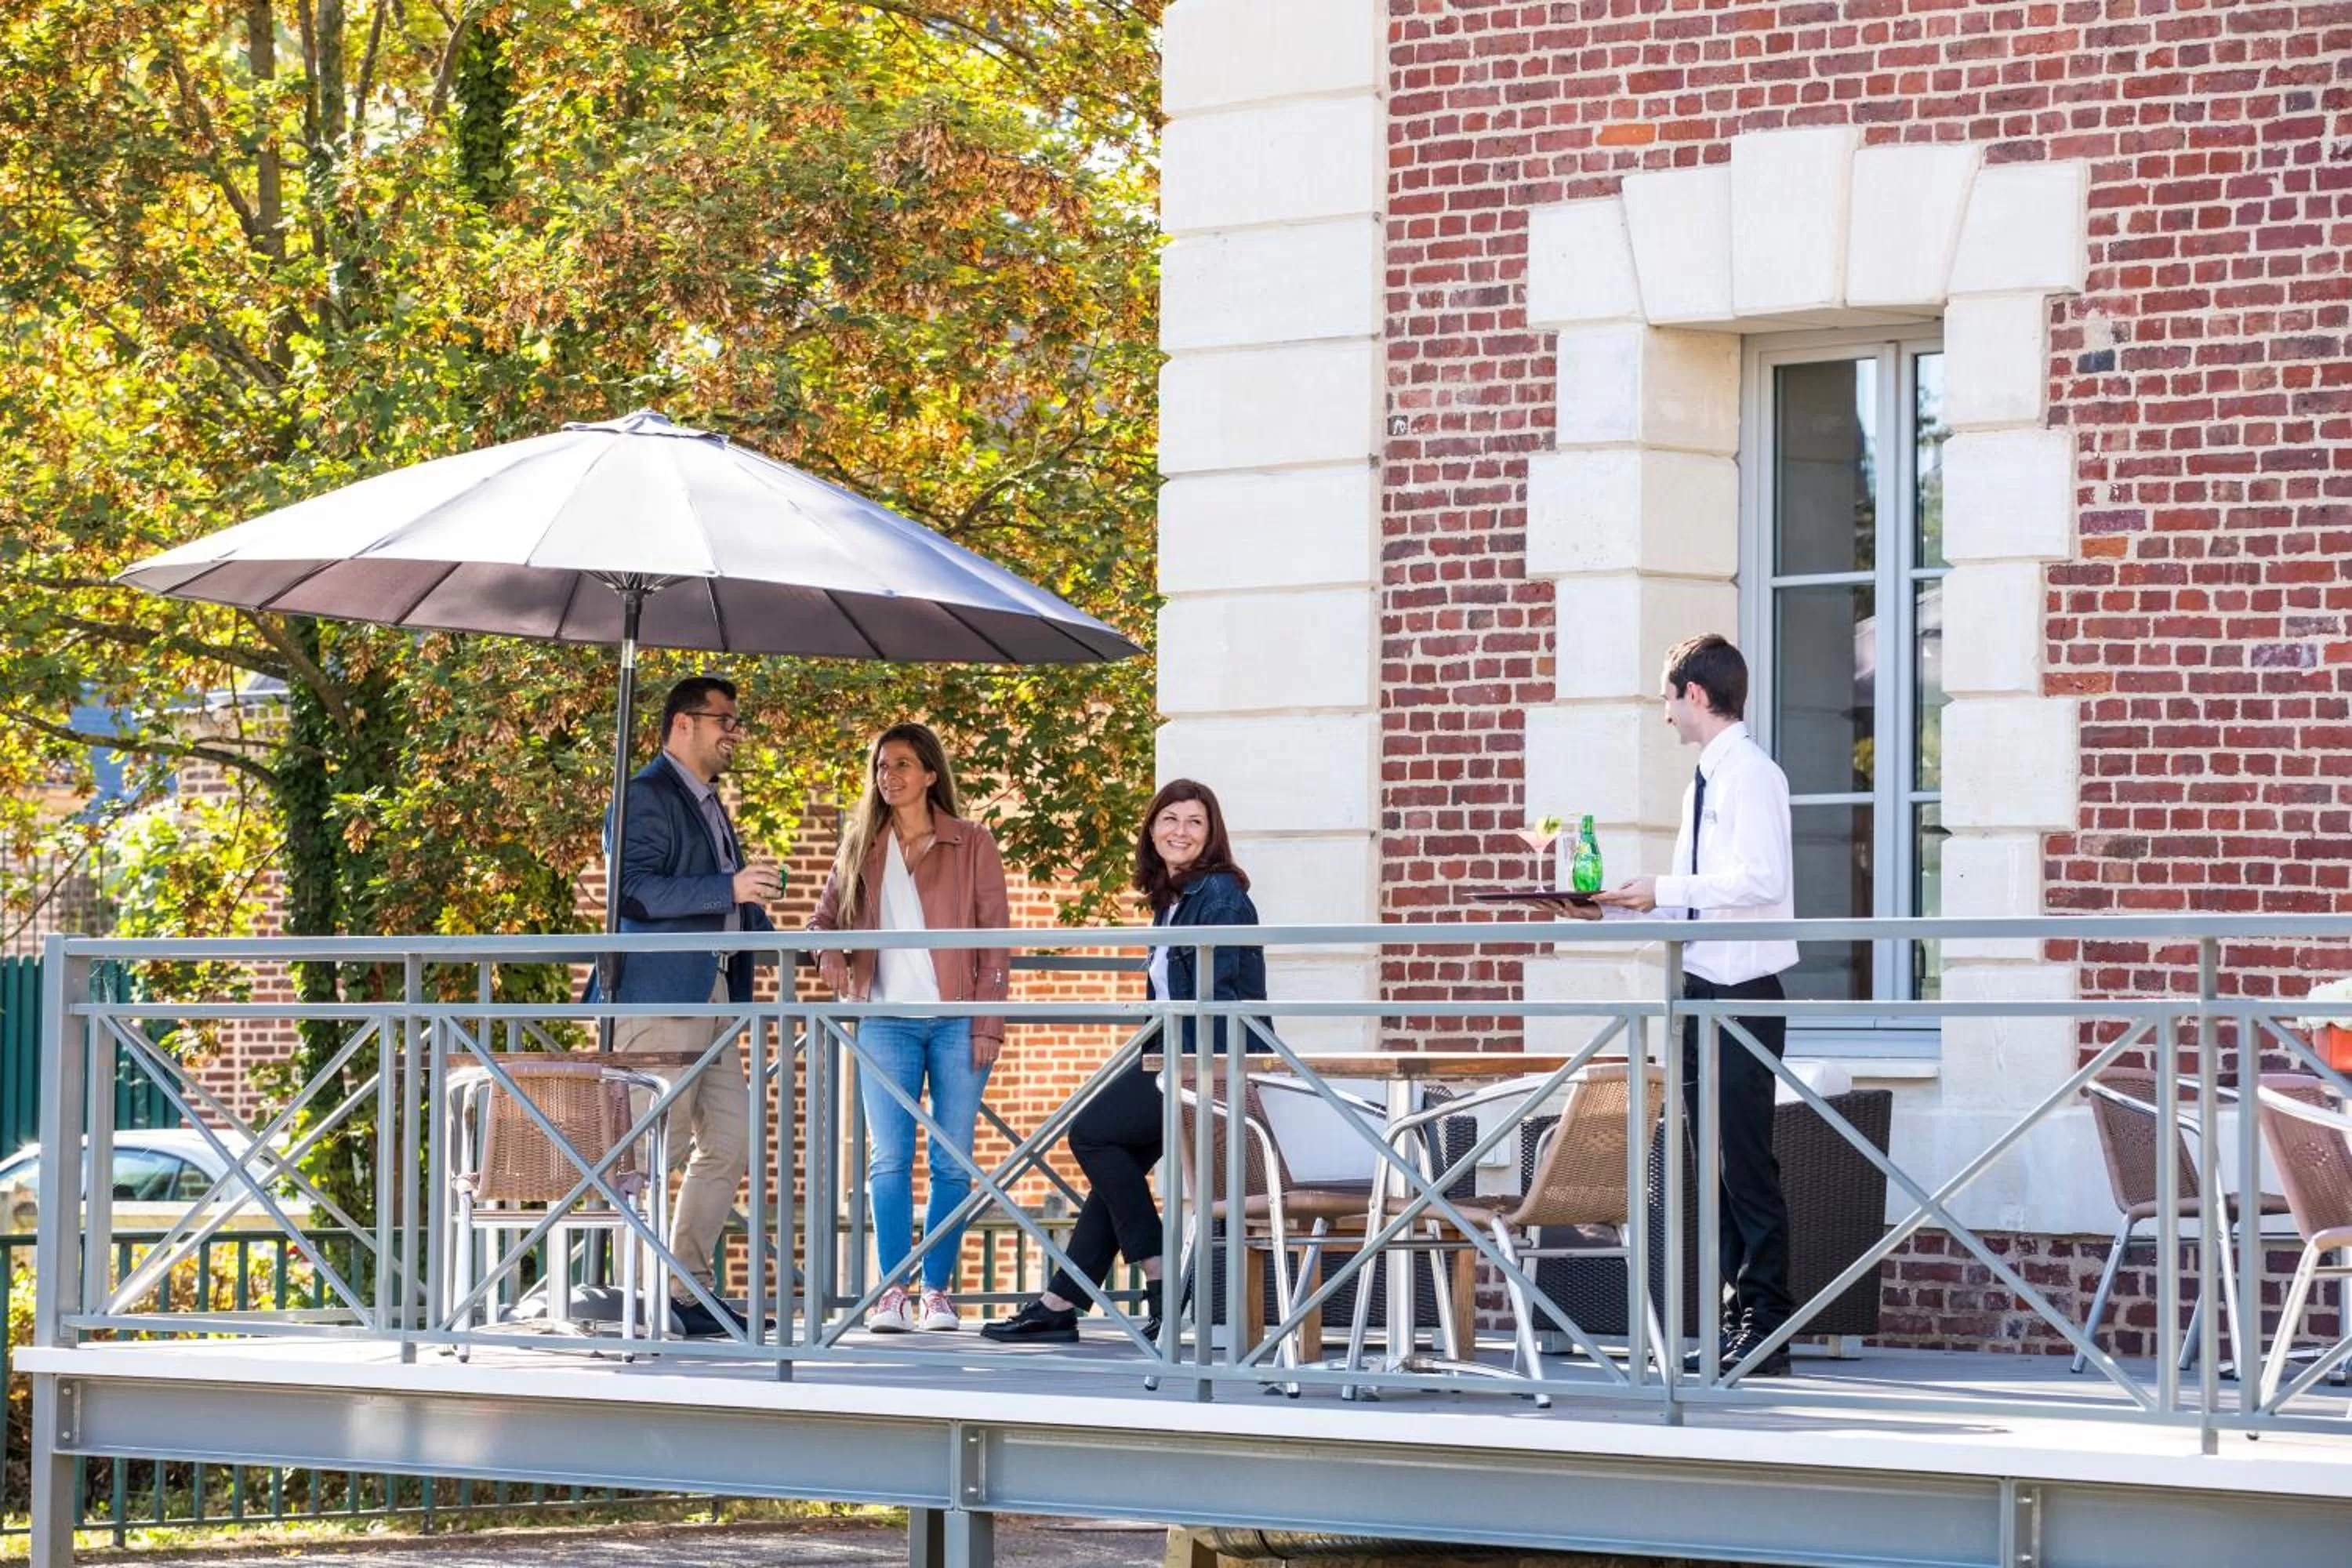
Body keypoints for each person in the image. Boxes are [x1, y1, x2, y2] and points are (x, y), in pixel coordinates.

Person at [1569, 633, 1798, 1377]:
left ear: (1695, 694)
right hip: (1702, 987)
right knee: (1715, 1167)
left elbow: (1758, 881)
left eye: (1667, 699)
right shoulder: (1706, 778)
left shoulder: (1750, 776)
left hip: (1742, 993)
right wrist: (1611, 910)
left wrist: (1664, 889)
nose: (1664, 715)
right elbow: (1701, 900)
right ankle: (1738, 1321)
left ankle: (1767, 1325)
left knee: (1745, 1165)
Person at [982, 779, 1265, 1345]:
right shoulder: (1175, 899)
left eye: (1194, 823)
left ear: (1211, 836)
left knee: (1091, 1135)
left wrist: (1189, 1067)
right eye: (1170, 819)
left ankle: (1158, 1276)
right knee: (1118, 1169)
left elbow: (1223, 994)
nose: (1179, 832)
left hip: (1204, 1059)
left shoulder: (1220, 895)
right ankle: (1061, 1301)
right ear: (1152, 828)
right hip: (1171, 1055)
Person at [808, 723, 1011, 1334]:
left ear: (929, 773)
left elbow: (997, 944)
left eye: (901, 765)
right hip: (885, 1022)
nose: (888, 776)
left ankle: (936, 1293)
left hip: (956, 1023)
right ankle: (892, 1293)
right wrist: (832, 957)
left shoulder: (971, 842)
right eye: (880, 766)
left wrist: (987, 1024)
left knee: (952, 1161)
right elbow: (821, 925)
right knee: (888, 1160)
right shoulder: (861, 846)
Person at [608, 674, 781, 1338]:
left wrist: (789, 939)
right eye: (725, 720)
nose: (734, 732)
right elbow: (634, 892)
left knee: (730, 1141)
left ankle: (684, 1288)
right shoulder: (646, 795)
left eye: (736, 721)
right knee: (657, 1147)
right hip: (659, 994)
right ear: (683, 723)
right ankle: (638, 1293)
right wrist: (728, 885)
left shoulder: (710, 802)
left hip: (715, 995)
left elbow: (725, 901)